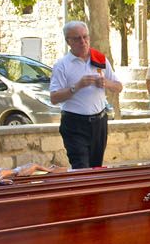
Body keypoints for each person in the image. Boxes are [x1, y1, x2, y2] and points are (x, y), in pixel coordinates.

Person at [49, 21, 122, 169]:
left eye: (85, 37)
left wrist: (106, 83)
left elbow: (118, 86)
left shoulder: (100, 59)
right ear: (68, 41)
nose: (82, 42)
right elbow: (54, 97)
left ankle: (94, 193)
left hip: (99, 122)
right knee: (82, 168)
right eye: (77, 38)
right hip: (74, 124)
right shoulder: (62, 65)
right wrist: (77, 86)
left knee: (96, 168)